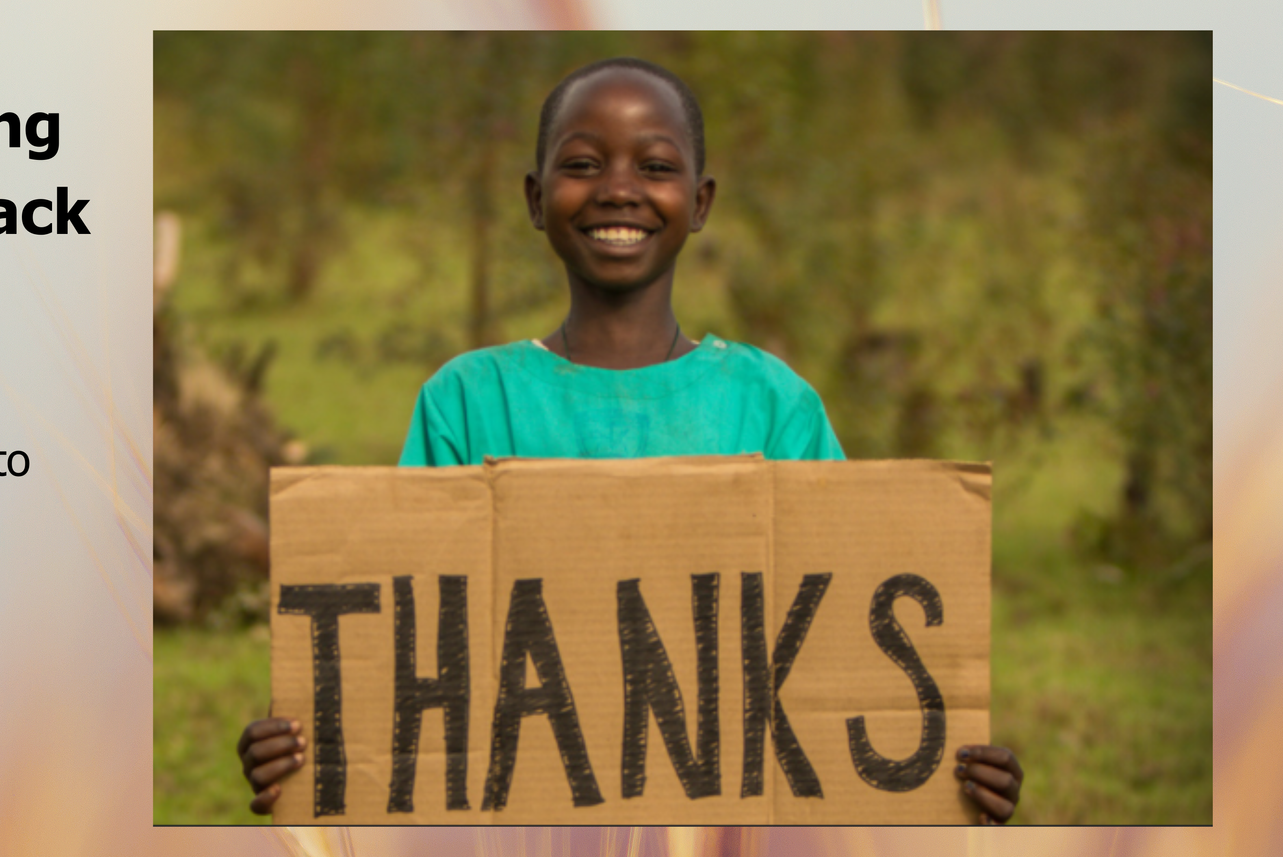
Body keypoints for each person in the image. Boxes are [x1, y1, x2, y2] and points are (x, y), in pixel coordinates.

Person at [240, 56, 1024, 824]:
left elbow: (848, 639)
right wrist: (308, 742)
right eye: (583, 163)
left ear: (701, 199)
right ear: (536, 197)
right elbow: (404, 647)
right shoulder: (471, 399)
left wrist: (952, 768)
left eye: (655, 165)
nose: (618, 188)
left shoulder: (772, 403)